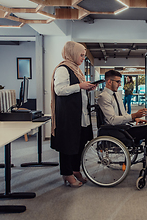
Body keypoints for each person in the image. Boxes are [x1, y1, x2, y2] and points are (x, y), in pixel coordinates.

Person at [97, 70, 147, 175]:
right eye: (118, 82)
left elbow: (122, 114)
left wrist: (135, 119)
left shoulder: (117, 94)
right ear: (109, 82)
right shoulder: (103, 97)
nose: (120, 84)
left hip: (124, 127)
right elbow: (112, 120)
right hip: (115, 131)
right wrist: (133, 116)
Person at [50, 41, 97, 188]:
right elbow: (60, 90)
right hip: (68, 116)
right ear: (72, 53)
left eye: (84, 55)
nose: (83, 58)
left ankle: (76, 170)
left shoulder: (76, 69)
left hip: (80, 114)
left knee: (79, 143)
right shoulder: (63, 69)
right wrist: (80, 86)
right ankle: (67, 174)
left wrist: (86, 88)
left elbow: (75, 89)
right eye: (81, 55)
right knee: (68, 146)